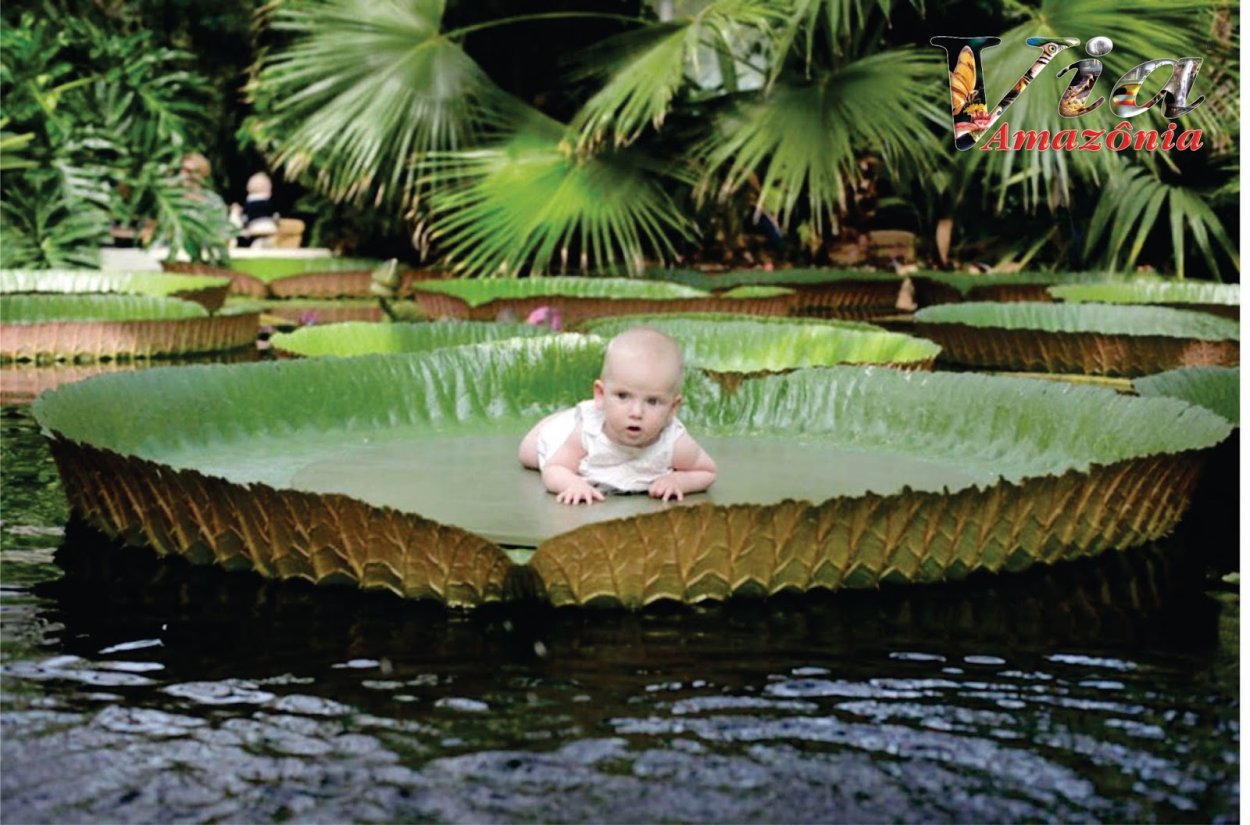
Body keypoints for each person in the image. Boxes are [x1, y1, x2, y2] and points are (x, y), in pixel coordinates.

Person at [518, 328, 717, 505]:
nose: (636, 413)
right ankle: (557, 419)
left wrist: (678, 481)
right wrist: (573, 484)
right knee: (528, 454)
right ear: (600, 395)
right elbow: (555, 467)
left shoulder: (674, 443)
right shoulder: (587, 434)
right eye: (623, 396)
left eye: (653, 401)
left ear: (673, 408)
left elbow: (707, 471)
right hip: (564, 434)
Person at [229, 172, 279, 246]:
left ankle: (257, 245)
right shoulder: (269, 201)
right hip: (270, 227)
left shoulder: (248, 202)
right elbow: (275, 215)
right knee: (269, 241)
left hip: (255, 227)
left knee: (257, 241)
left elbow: (245, 216)